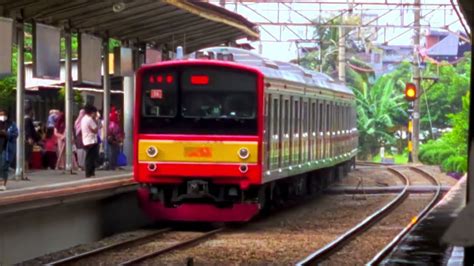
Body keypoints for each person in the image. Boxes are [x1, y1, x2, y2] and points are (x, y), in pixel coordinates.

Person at [0, 110, 18, 191]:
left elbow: (15, 134)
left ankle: (3, 184)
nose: (2, 116)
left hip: (6, 148)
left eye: (3, 114)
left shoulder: (12, 124)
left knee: (4, 166)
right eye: (0, 114)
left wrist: (7, 134)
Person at [81, 104, 99, 178]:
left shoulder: (84, 119)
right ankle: (90, 173)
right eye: (95, 112)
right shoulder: (90, 119)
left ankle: (89, 172)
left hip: (85, 140)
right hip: (91, 141)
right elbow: (95, 130)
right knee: (91, 158)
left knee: (89, 157)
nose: (95, 114)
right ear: (92, 112)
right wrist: (96, 120)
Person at [24, 106, 40, 179]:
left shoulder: (24, 119)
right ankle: (25, 169)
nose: (33, 113)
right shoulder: (27, 120)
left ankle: (25, 169)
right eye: (32, 111)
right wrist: (29, 138)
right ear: (30, 111)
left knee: (26, 154)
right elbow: (28, 130)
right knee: (27, 154)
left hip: (26, 139)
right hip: (27, 140)